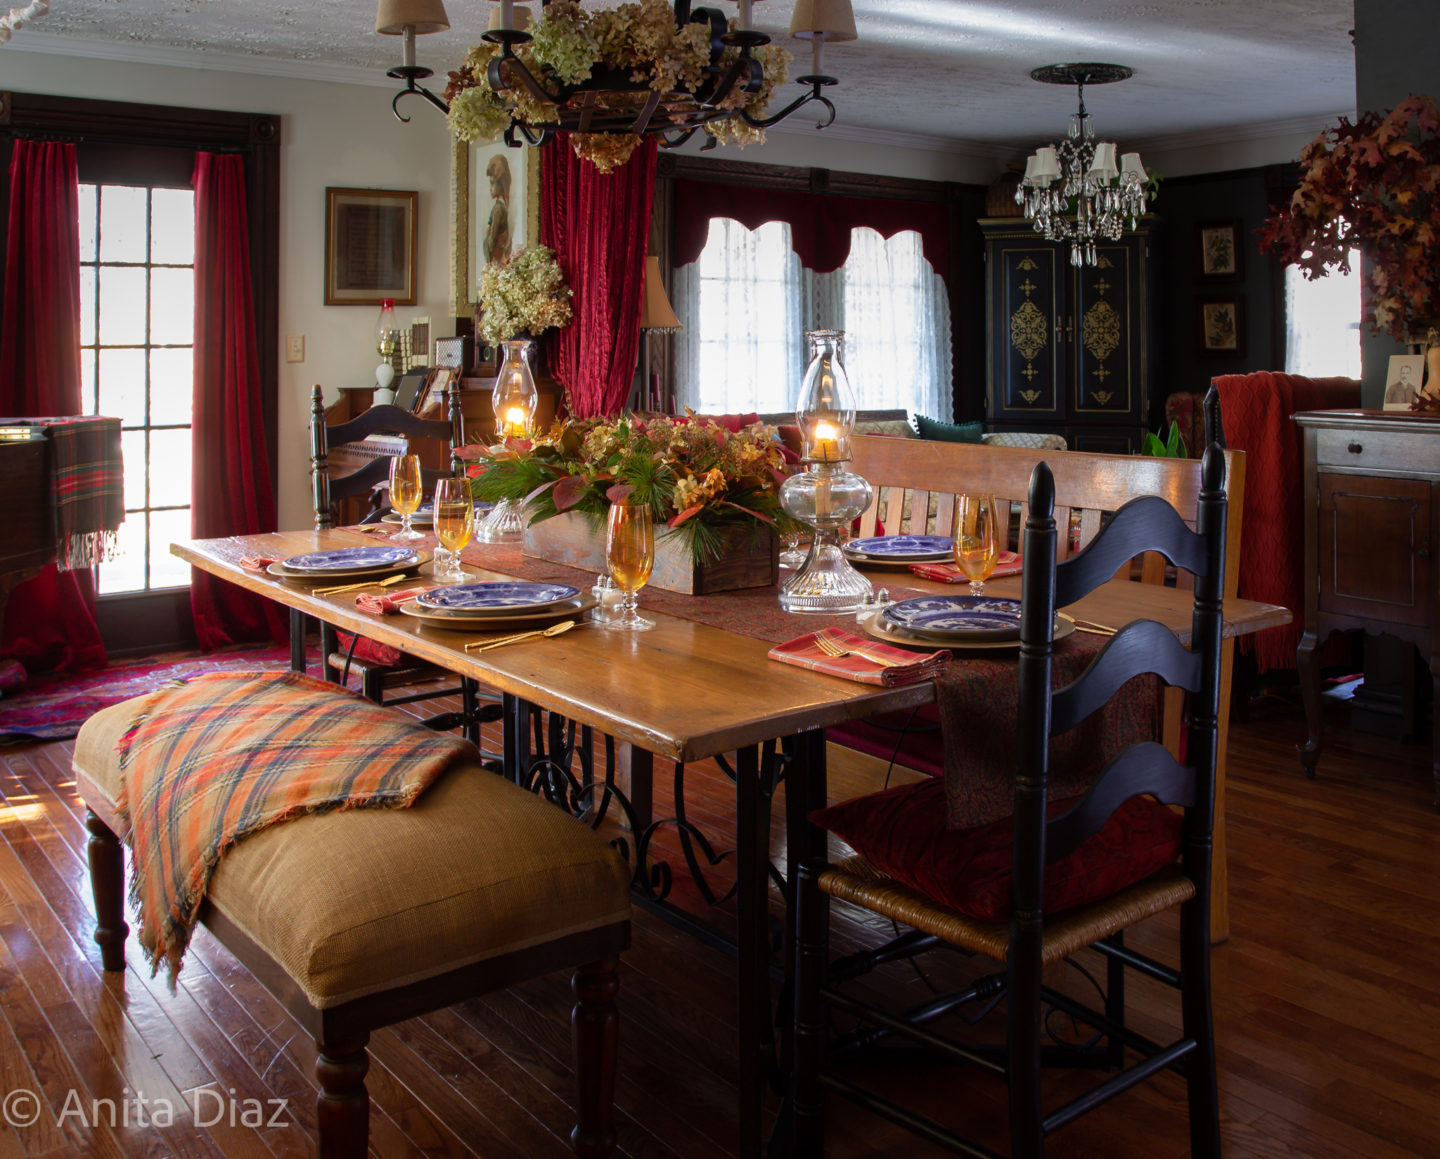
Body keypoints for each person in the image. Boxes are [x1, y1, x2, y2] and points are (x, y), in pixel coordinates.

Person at [483, 154, 512, 266]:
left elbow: (493, 234)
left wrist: (489, 247)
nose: (490, 189)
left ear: (500, 184)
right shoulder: (499, 206)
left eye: (492, 184)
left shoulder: (498, 209)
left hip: (495, 254)